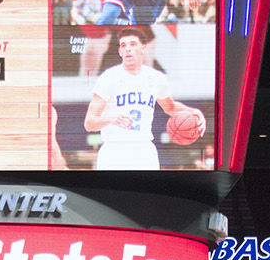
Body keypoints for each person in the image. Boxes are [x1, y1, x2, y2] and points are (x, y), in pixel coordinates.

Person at [84, 29, 204, 171]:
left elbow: (170, 108)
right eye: (123, 45)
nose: (128, 49)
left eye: (133, 44)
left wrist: (194, 112)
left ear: (143, 48)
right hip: (114, 148)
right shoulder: (109, 77)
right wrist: (110, 119)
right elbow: (89, 123)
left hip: (144, 148)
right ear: (120, 51)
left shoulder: (157, 78)